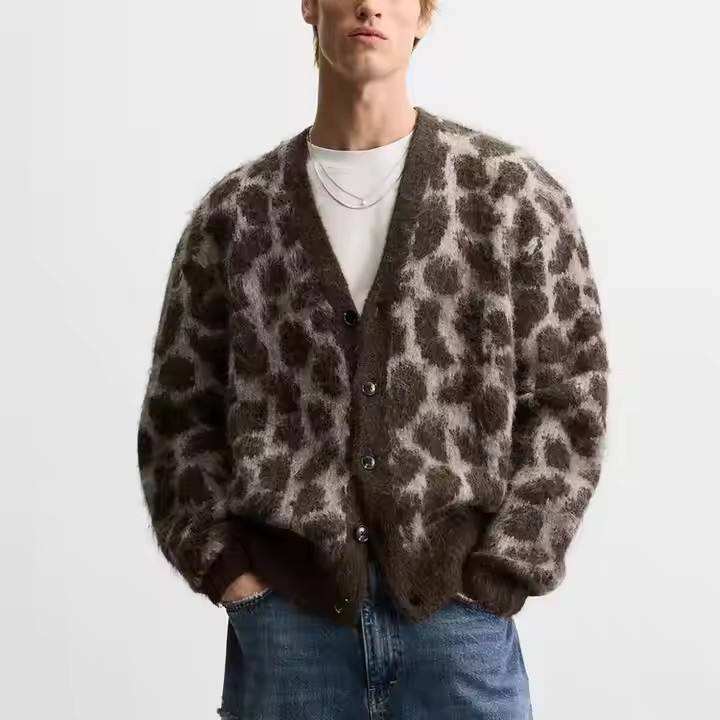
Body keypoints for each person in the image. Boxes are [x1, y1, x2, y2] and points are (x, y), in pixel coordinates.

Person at [136, 1, 609, 718]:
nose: (369, 5)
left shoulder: (509, 196)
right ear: (309, 6)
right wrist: (230, 573)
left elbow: (570, 400)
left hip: (458, 630)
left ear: (424, 14)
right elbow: (178, 417)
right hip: (289, 635)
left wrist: (503, 571)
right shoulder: (239, 213)